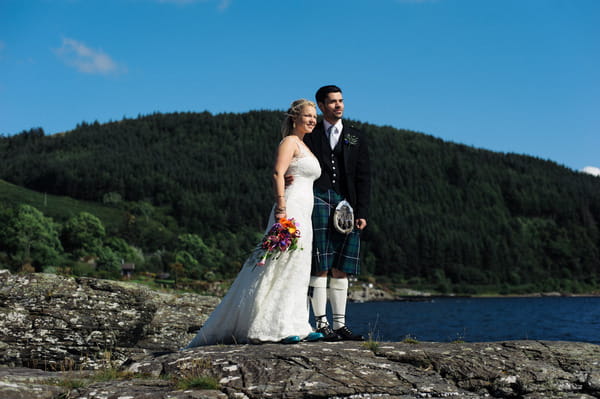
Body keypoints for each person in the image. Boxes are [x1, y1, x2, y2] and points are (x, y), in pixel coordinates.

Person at [185, 99, 323, 347]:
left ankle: (297, 324)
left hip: (305, 211)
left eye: (315, 116)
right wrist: (281, 206)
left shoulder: (304, 145)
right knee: (277, 262)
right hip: (290, 208)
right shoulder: (290, 142)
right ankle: (270, 326)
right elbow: (277, 173)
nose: (313, 120)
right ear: (295, 118)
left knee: (298, 265)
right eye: (308, 115)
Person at [303, 85, 371, 341]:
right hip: (318, 200)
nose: (338, 105)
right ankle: (321, 325)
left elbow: (365, 177)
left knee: (342, 267)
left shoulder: (356, 137)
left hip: (348, 205)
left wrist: (362, 211)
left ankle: (340, 325)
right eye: (332, 102)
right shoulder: (310, 134)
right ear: (321, 105)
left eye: (341, 101)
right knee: (321, 264)